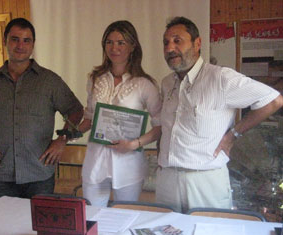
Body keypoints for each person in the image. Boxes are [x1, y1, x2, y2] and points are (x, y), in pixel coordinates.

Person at [157, 16, 283, 213]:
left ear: (197, 43)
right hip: (167, 179)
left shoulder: (220, 78)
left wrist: (234, 134)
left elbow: (273, 100)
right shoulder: (166, 83)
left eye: (177, 40)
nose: (169, 48)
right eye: (166, 42)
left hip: (204, 181)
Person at [0, 18, 83, 202]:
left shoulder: (49, 81)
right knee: (0, 227)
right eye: (15, 39)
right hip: (2, 174)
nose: (20, 45)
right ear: (5, 41)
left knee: (37, 229)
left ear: (33, 44)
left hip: (39, 173)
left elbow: (76, 110)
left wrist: (61, 140)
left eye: (26, 40)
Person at [77, 20, 162, 207]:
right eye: (109, 42)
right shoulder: (95, 79)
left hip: (128, 164)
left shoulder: (145, 84)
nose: (114, 47)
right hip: (96, 161)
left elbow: (160, 126)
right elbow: (90, 118)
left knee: (125, 218)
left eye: (121, 42)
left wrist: (135, 144)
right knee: (92, 218)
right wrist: (71, 133)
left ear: (132, 46)